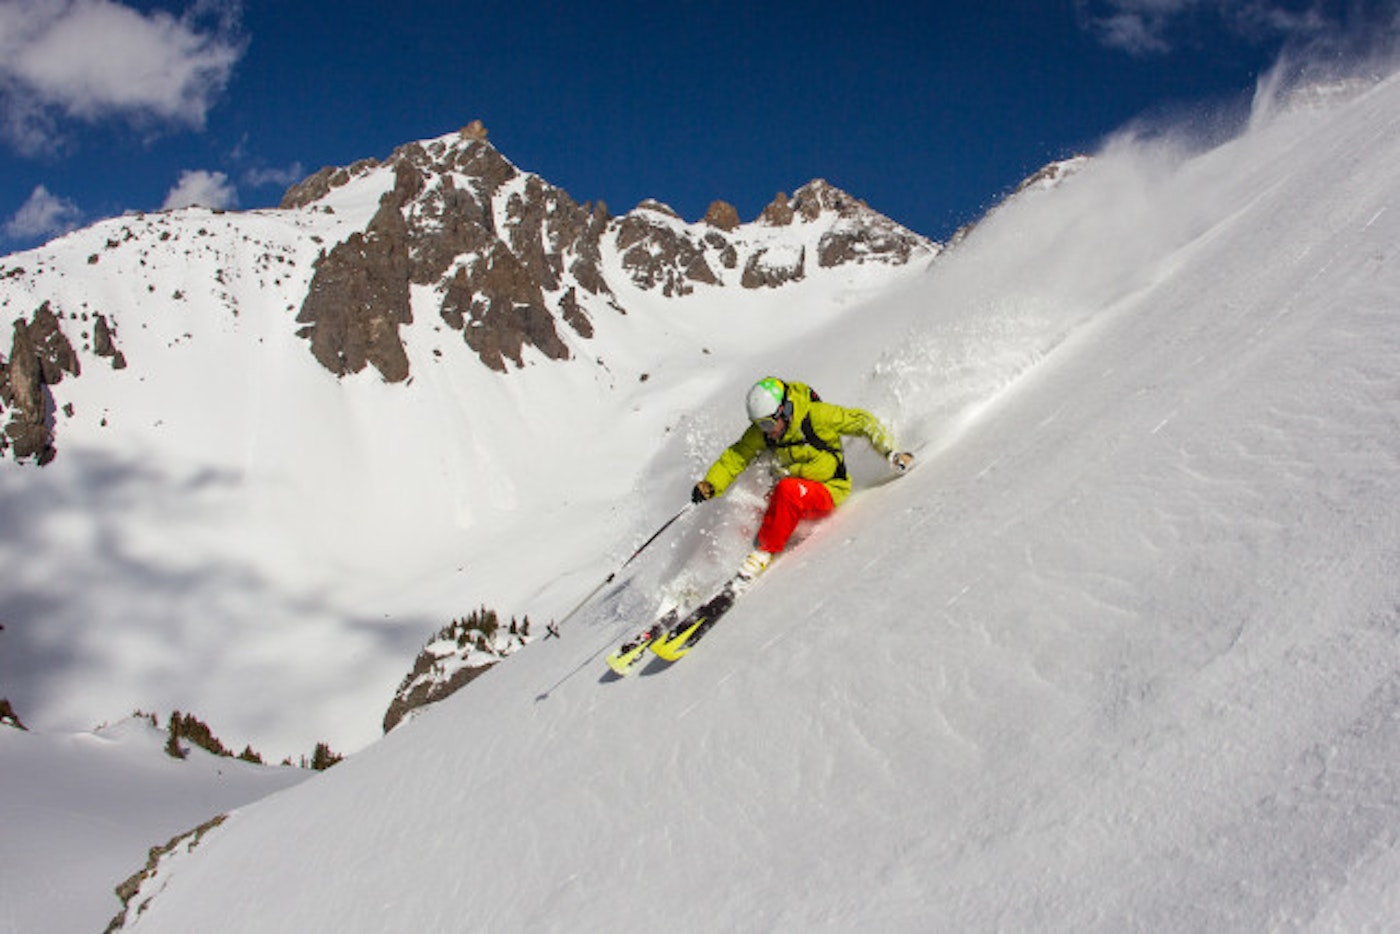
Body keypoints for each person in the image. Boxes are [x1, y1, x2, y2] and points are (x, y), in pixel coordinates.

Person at [691, 377, 913, 581]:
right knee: (750, 500)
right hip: (793, 495)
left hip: (826, 491)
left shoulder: (817, 416)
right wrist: (711, 484)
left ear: (784, 410)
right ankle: (711, 570)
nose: (765, 431)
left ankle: (764, 551)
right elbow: (736, 456)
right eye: (759, 425)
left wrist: (891, 453)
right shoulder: (765, 431)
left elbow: (863, 422)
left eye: (767, 424)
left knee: (788, 490)